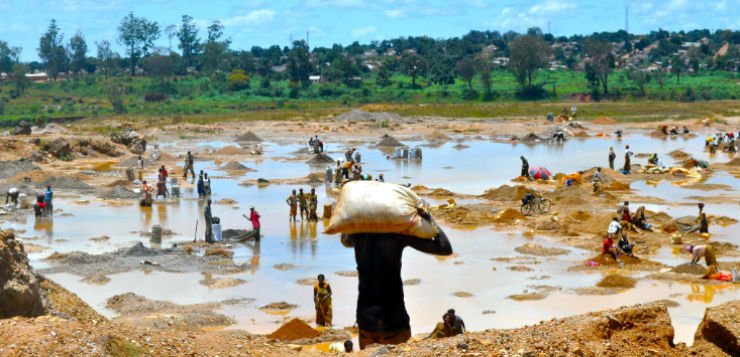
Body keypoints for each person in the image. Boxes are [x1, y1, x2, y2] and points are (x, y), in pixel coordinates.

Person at [341, 218, 452, 350]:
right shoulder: (397, 235)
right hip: (393, 323)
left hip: (365, 324)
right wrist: (428, 218)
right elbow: (444, 248)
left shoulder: (357, 235)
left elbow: (345, 239)